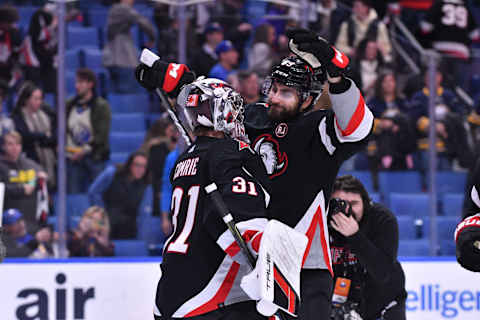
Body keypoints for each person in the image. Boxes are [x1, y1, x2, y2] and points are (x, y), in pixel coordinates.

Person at [135, 27, 374, 320]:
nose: (274, 97)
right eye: (273, 89)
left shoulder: (317, 129)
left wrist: (337, 74)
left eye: (285, 93)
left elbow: (358, 129)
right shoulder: (253, 120)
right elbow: (216, 102)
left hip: (303, 264)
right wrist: (176, 81)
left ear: (308, 98)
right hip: (253, 264)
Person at [135, 74, 273, 319]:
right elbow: (245, 223)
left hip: (171, 289)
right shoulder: (231, 153)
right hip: (206, 295)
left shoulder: (183, 158)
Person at [329, 175, 407, 319]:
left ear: (365, 203)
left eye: (353, 203)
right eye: (340, 203)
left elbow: (383, 272)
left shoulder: (382, 219)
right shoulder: (321, 221)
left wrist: (354, 236)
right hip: (338, 304)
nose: (347, 210)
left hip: (384, 302)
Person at [66, 68, 111, 193]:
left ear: (90, 84)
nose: (77, 86)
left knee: (97, 194)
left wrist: (84, 151)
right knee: (73, 196)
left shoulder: (101, 106)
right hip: (72, 158)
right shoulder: (69, 104)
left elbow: (101, 136)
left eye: (81, 82)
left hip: (95, 158)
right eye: (76, 82)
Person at [87, 151, 150, 239]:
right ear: (130, 165)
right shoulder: (112, 173)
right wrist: (101, 213)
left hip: (128, 227)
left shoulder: (145, 186)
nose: (140, 169)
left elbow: (143, 214)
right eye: (137, 165)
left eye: (144, 166)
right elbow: (93, 192)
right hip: (107, 221)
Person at [103, 0, 156, 93]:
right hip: (123, 60)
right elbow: (143, 22)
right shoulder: (122, 8)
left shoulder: (114, 10)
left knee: (116, 95)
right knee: (127, 96)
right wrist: (152, 38)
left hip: (111, 60)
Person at [11, 81, 56, 188]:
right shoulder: (18, 117)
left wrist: (42, 137)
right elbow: (24, 136)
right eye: (35, 99)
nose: (39, 102)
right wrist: (43, 136)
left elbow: (53, 137)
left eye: (40, 99)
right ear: (26, 99)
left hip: (47, 161)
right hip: (28, 164)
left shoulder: (46, 115)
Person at [0, 131, 48, 233]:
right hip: (7, 222)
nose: (14, 147)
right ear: (3, 146)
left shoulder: (29, 164)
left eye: (17, 144)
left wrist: (40, 178)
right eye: (10, 144)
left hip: (30, 221)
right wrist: (21, 189)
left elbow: (40, 174)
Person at [141, 116, 178, 217]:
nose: (174, 133)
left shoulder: (182, 147)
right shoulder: (157, 149)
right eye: (171, 130)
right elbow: (158, 174)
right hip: (163, 190)